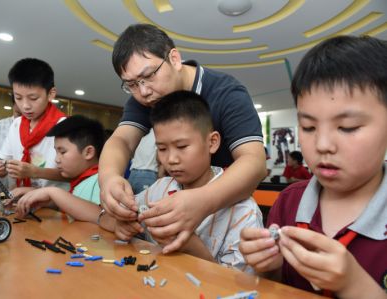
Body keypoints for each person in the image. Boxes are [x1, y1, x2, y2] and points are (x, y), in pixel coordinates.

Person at [239, 35, 387, 298]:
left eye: (347, 127)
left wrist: (355, 285)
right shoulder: (288, 202)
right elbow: (273, 287)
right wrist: (268, 268)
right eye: (308, 127)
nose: (322, 144)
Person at [99, 23, 266, 254]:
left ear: (174, 59)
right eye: (132, 84)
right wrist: (108, 178)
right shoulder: (147, 97)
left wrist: (202, 200)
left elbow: (254, 161)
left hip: (227, 205)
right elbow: (122, 141)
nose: (144, 91)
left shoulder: (227, 93)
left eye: (148, 76)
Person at [115, 91, 263, 271]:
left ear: (212, 142)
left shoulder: (244, 213)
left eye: (182, 146)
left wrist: (190, 246)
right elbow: (111, 218)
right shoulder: (160, 189)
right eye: (162, 148)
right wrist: (121, 222)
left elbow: (242, 287)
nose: (171, 159)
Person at [14, 115, 115, 230]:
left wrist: (53, 192)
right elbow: (77, 208)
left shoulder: (100, 181)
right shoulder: (81, 181)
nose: (56, 159)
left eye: (62, 152)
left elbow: (104, 217)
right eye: (56, 152)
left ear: (88, 152)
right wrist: (39, 196)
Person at [0, 58, 68, 190]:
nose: (25, 106)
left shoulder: (65, 126)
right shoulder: (16, 124)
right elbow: (4, 160)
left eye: (33, 98)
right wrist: (1, 168)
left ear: (51, 94)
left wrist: (35, 171)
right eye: (18, 98)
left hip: (53, 206)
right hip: (20, 199)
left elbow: (72, 174)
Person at [127, 129, 159, 194]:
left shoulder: (140, 130)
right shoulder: (158, 132)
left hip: (133, 173)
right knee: (146, 202)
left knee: (132, 201)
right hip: (148, 173)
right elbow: (159, 157)